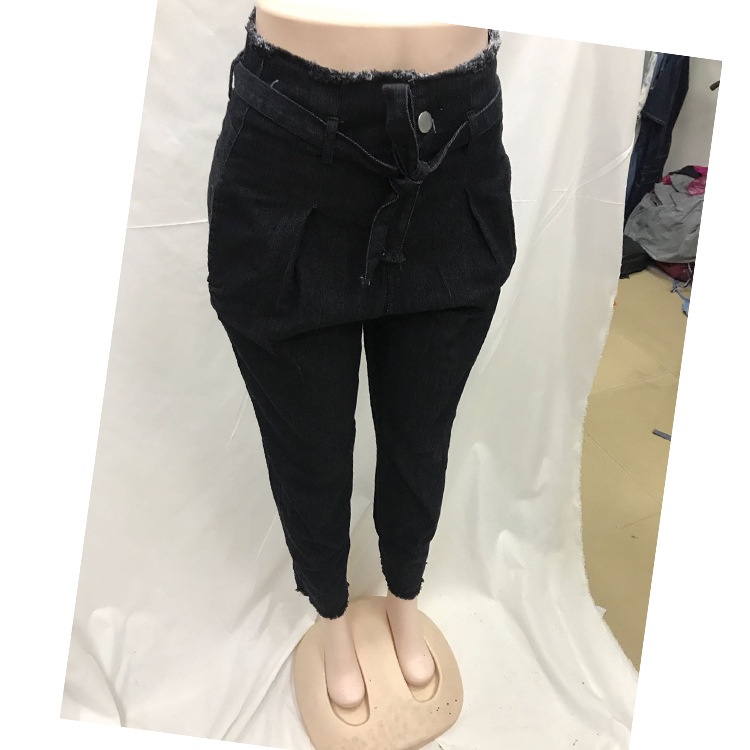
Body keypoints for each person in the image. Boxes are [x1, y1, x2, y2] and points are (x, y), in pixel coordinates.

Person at [206, 2, 514, 709]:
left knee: (422, 433)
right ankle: (331, 618)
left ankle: (406, 597)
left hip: (458, 140)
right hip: (290, 142)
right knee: (306, 445)